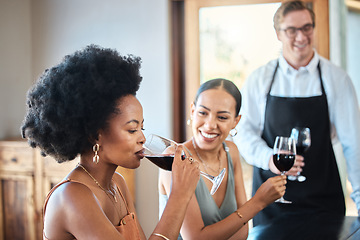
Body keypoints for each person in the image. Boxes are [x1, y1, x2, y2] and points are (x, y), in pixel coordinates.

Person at [21, 44, 200, 240]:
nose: (142, 138)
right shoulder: (72, 196)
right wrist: (179, 196)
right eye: (132, 129)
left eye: (142, 128)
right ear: (95, 135)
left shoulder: (117, 184)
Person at [235, 0, 360, 226]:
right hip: (270, 202)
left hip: (324, 201)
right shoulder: (259, 79)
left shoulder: (337, 79)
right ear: (278, 33)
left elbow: (354, 144)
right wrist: (269, 158)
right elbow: (243, 133)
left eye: (306, 28)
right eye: (292, 30)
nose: (301, 37)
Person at [159, 78, 287, 239]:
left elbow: (242, 232)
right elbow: (196, 238)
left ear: (235, 121)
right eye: (203, 113)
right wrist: (258, 202)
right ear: (192, 111)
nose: (210, 125)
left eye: (222, 117)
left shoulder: (230, 151)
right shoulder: (174, 158)